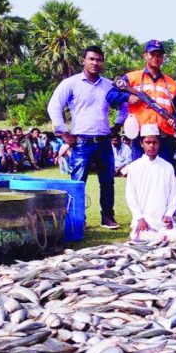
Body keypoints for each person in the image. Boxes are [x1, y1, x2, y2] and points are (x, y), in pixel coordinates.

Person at [48, 45, 127, 230]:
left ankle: (107, 217)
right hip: (81, 142)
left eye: (99, 60)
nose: (95, 63)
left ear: (103, 63)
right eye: (91, 59)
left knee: (107, 182)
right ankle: (77, 220)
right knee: (78, 182)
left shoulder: (109, 85)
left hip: (104, 141)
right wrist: (63, 132)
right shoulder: (71, 83)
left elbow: (124, 104)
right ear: (83, 60)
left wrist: (117, 125)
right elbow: (54, 106)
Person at [111, 39, 176, 164]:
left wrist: (175, 119)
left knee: (163, 176)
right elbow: (110, 95)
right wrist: (128, 97)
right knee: (139, 174)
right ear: (145, 55)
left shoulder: (172, 84)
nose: (156, 57)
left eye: (159, 55)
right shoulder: (132, 77)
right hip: (140, 137)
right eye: (152, 54)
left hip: (164, 137)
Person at [124, 124, 176, 244]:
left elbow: (173, 195)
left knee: (174, 238)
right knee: (145, 238)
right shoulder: (134, 167)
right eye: (148, 142)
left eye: (154, 142)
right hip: (143, 220)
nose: (151, 146)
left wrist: (168, 215)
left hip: (162, 221)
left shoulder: (167, 167)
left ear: (159, 143)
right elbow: (130, 195)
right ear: (142, 143)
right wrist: (139, 218)